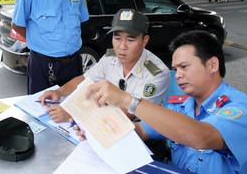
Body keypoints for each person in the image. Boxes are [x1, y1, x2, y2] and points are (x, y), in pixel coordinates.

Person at [75, 30, 247, 174]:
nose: (177, 75)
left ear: (212, 65)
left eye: (184, 67)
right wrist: (95, 128)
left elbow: (201, 136)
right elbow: (138, 130)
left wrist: (127, 99)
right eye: (175, 69)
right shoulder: (179, 106)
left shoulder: (241, 109)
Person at [39, 9, 170, 123]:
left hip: (140, 132)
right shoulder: (110, 58)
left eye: (130, 40)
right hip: (103, 121)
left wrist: (75, 113)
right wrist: (59, 91)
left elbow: (126, 114)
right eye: (117, 38)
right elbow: (85, 79)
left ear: (144, 40)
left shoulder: (157, 73)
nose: (122, 46)